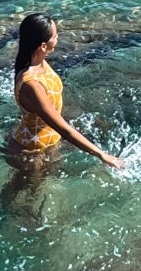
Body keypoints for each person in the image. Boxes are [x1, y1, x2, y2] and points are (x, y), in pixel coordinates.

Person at [8, 13, 124, 170]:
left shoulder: (40, 63)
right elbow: (64, 129)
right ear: (43, 46)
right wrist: (101, 154)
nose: (58, 38)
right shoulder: (31, 85)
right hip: (30, 152)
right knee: (23, 193)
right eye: (55, 35)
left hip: (48, 143)